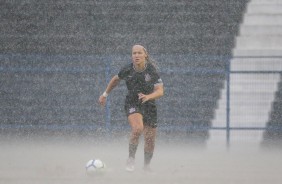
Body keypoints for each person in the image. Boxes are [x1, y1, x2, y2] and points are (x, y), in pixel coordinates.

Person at [98, 44, 164, 172]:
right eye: (134, 53)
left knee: (150, 140)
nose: (136, 55)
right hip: (133, 103)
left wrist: (149, 96)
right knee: (137, 128)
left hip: (149, 104)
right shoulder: (127, 69)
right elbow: (115, 80)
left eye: (139, 53)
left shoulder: (152, 70)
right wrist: (105, 94)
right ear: (131, 55)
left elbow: (160, 91)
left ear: (145, 55)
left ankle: (146, 166)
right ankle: (131, 158)